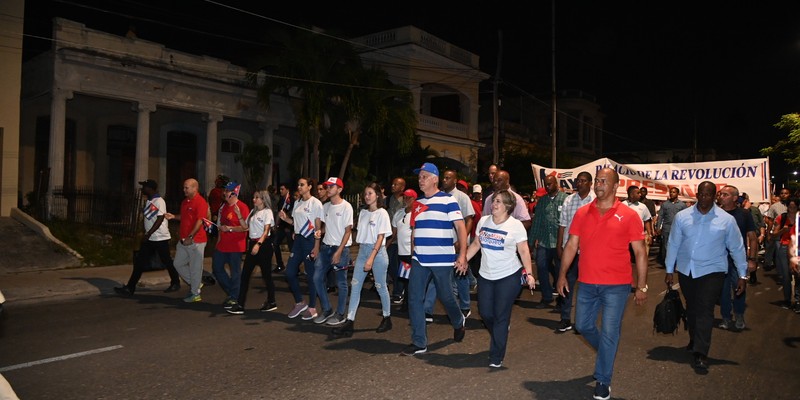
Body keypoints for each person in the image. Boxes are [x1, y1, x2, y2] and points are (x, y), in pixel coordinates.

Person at [556, 168, 648, 400]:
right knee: (583, 326)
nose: (599, 184)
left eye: (604, 181)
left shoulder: (629, 215)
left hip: (617, 286)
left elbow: (640, 252)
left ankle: (603, 381)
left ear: (615, 186)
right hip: (587, 283)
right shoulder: (582, 213)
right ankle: (607, 352)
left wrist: (641, 286)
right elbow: (571, 245)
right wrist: (562, 274)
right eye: (597, 180)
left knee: (609, 332)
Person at [664, 181, 751, 374]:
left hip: (713, 272)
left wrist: (742, 275)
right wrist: (669, 270)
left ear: (715, 196)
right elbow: (674, 243)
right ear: (697, 195)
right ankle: (695, 339)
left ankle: (701, 353)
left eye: (708, 195)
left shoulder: (726, 220)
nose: (704, 198)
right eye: (701, 194)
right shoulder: (682, 217)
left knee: (705, 310)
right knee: (692, 309)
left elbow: (737, 248)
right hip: (687, 270)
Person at [401, 162, 468, 356]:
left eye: (424, 176)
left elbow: (461, 227)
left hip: (442, 260)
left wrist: (462, 255)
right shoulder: (418, 203)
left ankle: (458, 321)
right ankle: (419, 342)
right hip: (420, 259)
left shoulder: (448, 200)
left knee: (446, 297)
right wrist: (412, 255)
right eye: (419, 177)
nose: (420, 180)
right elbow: (414, 231)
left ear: (435, 179)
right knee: (414, 298)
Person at [465, 189, 535, 368]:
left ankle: (496, 356)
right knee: (485, 312)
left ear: (508, 206)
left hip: (509, 276)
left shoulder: (515, 226)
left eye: (498, 201)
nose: (494, 204)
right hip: (486, 275)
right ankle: (500, 330)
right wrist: (463, 260)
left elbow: (524, 250)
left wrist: (529, 273)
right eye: (494, 200)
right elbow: (476, 243)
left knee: (501, 315)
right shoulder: (483, 221)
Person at [333, 182, 393, 337]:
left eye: (370, 193)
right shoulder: (363, 213)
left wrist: (371, 258)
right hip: (363, 251)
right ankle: (350, 321)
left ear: (377, 195)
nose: (367, 196)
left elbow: (380, 238)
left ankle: (387, 318)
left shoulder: (382, 213)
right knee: (355, 285)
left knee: (381, 286)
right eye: (365, 194)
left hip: (377, 253)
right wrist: (359, 257)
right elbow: (361, 237)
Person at [114, 179, 181, 296]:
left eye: (144, 187)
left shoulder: (159, 201)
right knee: (140, 262)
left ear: (150, 188)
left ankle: (175, 282)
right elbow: (150, 218)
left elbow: (160, 219)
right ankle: (130, 287)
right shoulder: (150, 201)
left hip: (160, 237)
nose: (142, 189)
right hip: (150, 238)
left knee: (166, 261)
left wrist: (148, 233)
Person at [277, 178, 323, 320]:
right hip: (298, 241)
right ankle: (300, 302)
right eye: (298, 185)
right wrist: (285, 219)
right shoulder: (297, 202)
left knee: (310, 275)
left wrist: (316, 246)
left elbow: (318, 227)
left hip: (310, 240)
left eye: (302, 185)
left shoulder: (315, 203)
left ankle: (312, 307)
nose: (299, 187)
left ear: (309, 186)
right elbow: (295, 223)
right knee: (290, 272)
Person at [554, 171, 594, 332]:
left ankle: (583, 321)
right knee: (566, 283)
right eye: (578, 180)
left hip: (589, 250)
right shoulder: (569, 200)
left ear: (590, 183)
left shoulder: (596, 201)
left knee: (586, 287)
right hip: (570, 248)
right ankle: (565, 318)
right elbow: (562, 225)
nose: (580, 183)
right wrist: (559, 245)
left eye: (584, 181)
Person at [227, 190, 276, 315]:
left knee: (266, 275)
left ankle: (271, 301)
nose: (254, 199)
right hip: (253, 244)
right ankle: (240, 304)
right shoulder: (253, 212)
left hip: (263, 245)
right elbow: (245, 227)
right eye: (254, 197)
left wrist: (258, 244)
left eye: (257, 197)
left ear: (263, 199)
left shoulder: (267, 212)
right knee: (245, 275)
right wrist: (239, 215)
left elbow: (266, 231)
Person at [312, 177, 353, 326]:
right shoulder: (326, 206)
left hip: (341, 248)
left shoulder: (346, 207)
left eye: (331, 186)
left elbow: (348, 231)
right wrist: (319, 235)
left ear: (340, 189)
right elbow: (324, 227)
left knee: (341, 282)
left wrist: (339, 251)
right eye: (327, 186)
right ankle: (327, 309)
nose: (328, 189)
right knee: (317, 278)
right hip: (326, 247)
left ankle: (340, 314)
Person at [716, 185, 758, 330]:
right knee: (723, 290)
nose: (721, 197)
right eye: (720, 194)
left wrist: (752, 259)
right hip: (720, 259)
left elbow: (752, 237)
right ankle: (726, 318)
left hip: (738, 259)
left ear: (735, 198)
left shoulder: (744, 214)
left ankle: (739, 315)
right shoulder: (715, 213)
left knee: (739, 287)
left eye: (725, 194)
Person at [165, 178, 209, 303]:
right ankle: (196, 284)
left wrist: (190, 237)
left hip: (196, 241)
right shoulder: (185, 202)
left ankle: (195, 294)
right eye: (184, 187)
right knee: (177, 264)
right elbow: (184, 217)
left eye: (186, 187)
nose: (184, 190)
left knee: (195, 268)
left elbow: (200, 221)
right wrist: (173, 216)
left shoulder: (200, 202)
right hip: (184, 240)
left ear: (195, 188)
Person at [528, 174, 567, 309]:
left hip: (560, 242)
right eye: (546, 184)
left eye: (550, 184)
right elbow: (536, 222)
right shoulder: (542, 201)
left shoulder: (565, 199)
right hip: (544, 241)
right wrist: (531, 243)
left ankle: (562, 299)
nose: (548, 187)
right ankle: (546, 297)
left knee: (561, 270)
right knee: (541, 267)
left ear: (556, 184)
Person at [210, 181, 250, 310]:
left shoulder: (242, 207)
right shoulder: (223, 207)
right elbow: (221, 226)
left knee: (235, 272)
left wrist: (230, 228)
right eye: (225, 190)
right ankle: (233, 292)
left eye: (227, 191)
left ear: (234, 193)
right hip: (223, 244)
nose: (224, 193)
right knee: (217, 268)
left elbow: (245, 228)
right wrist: (218, 242)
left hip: (236, 246)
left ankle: (234, 297)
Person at [442, 169, 476, 318]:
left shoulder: (462, 197)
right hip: (444, 243)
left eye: (448, 178)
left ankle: (465, 306)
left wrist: (461, 240)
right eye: (444, 177)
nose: (444, 180)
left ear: (455, 180)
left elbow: (469, 220)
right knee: (446, 277)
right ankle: (451, 306)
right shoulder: (440, 196)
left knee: (460, 275)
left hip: (457, 244)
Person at [391, 189, 418, 310]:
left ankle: (410, 304)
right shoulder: (399, 213)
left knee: (411, 280)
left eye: (409, 197)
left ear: (414, 199)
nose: (406, 200)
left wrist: (414, 252)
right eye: (405, 197)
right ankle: (406, 303)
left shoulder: (417, 214)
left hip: (412, 252)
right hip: (401, 252)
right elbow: (394, 233)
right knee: (404, 278)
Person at [772, 198, 800, 311]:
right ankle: (787, 300)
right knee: (786, 275)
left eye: (794, 207)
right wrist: (782, 231)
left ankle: (797, 300)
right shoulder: (781, 218)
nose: (792, 209)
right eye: (790, 207)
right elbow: (774, 234)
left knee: (798, 274)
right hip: (784, 247)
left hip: (797, 248)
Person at [386, 177, 407, 303]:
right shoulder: (388, 200)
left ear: (402, 187)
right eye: (392, 184)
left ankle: (398, 292)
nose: (393, 186)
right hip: (389, 237)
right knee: (390, 266)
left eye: (396, 184)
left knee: (399, 267)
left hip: (401, 239)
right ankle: (397, 288)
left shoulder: (405, 200)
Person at [656, 187, 687, 266]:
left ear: (677, 193)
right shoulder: (665, 204)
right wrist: (658, 227)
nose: (671, 194)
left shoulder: (682, 205)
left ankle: (676, 263)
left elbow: (686, 218)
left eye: (673, 192)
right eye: (670, 192)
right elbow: (660, 216)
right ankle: (667, 263)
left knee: (677, 245)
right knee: (666, 246)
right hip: (666, 228)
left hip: (678, 229)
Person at [741, 193, 766, 284]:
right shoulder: (738, 211)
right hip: (742, 238)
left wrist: (762, 235)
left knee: (753, 256)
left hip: (754, 237)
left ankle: (753, 274)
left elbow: (761, 223)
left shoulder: (755, 210)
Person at [764, 188, 791, 270]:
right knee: (780, 254)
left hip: (791, 233)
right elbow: (770, 221)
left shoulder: (794, 205)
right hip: (778, 234)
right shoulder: (774, 206)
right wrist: (768, 234)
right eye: (782, 193)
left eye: (786, 193)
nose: (784, 195)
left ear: (789, 194)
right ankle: (781, 273)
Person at [272, 183, 295, 273]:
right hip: (281, 227)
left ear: (287, 190)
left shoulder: (292, 200)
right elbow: (279, 213)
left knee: (291, 248)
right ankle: (280, 264)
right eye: (280, 189)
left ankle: (294, 268)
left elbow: (293, 215)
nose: (281, 191)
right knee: (275, 243)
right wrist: (276, 225)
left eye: (282, 189)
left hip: (289, 227)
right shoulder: (281, 200)